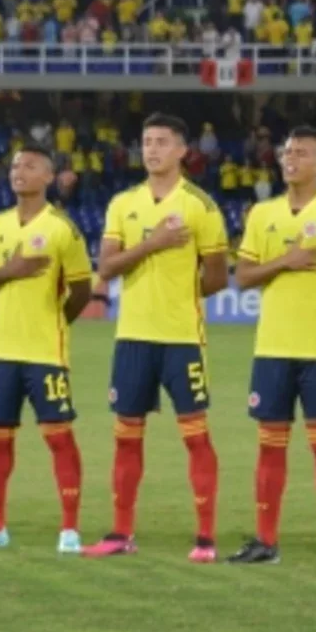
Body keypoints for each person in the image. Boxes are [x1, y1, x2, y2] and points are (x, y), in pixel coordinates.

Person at [88, 114, 229, 561]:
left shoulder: (201, 206)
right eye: (146, 142)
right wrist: (154, 244)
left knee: (195, 436)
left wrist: (176, 295)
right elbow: (106, 268)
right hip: (132, 337)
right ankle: (120, 533)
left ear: (182, 150)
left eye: (162, 142)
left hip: (181, 337)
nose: (151, 150)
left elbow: (217, 277)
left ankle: (205, 538)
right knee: (126, 437)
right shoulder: (122, 204)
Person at [230, 128, 316, 569]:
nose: (291, 158)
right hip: (272, 349)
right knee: (270, 447)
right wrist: (285, 262)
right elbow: (244, 276)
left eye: (303, 153)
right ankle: (266, 542)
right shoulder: (262, 213)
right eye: (288, 151)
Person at [0, 145, 92, 553]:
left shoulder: (62, 229)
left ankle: (69, 529)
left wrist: (53, 324)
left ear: (48, 177)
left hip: (45, 353)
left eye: (30, 165)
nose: (19, 171)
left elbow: (82, 291)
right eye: (15, 165)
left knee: (58, 438)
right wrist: (10, 271)